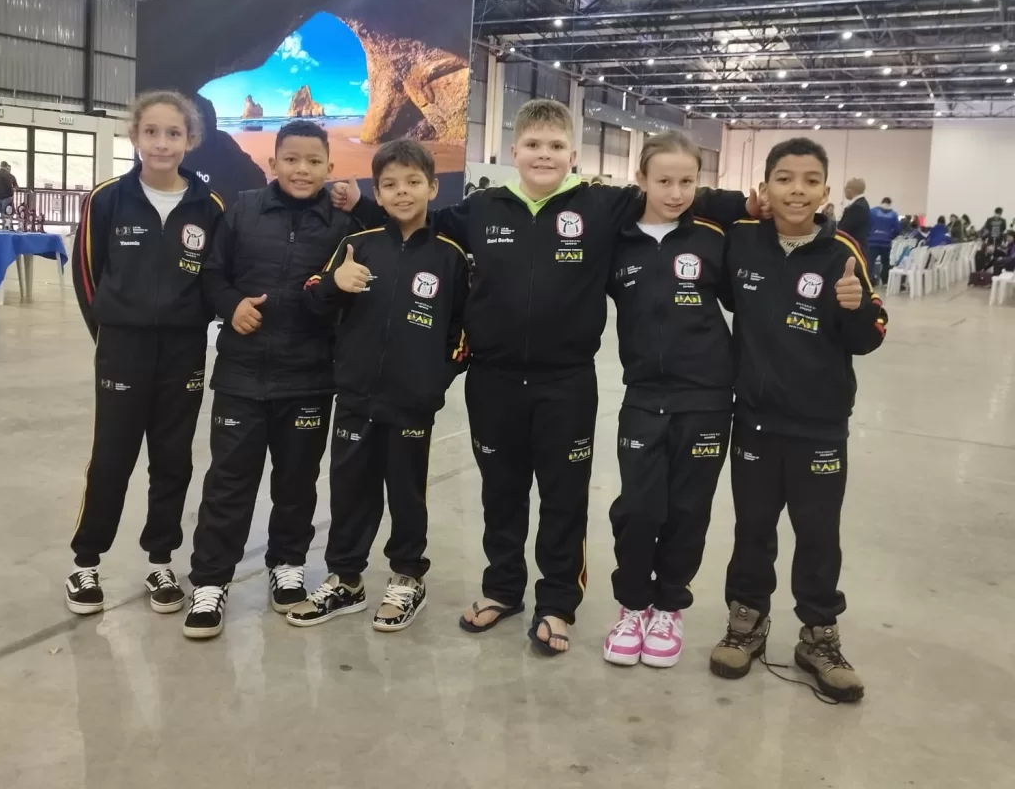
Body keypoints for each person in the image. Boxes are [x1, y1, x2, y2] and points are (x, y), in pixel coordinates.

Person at [334, 99, 754, 656]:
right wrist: (359, 204)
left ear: (572, 154)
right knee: (500, 495)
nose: (544, 155)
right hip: (494, 381)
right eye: (533, 145)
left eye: (556, 146)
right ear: (514, 151)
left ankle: (557, 603)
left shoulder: (603, 205)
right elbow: (413, 218)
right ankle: (502, 589)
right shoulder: (480, 210)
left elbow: (672, 187)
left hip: (567, 383)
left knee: (563, 499)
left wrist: (750, 204)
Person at [709, 138, 887, 704]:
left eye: (810, 180)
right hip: (754, 421)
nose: (797, 191)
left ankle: (819, 637)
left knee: (818, 534)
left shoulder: (842, 252)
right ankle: (746, 621)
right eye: (784, 179)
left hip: (820, 425)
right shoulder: (742, 239)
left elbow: (869, 338)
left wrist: (856, 308)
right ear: (765, 187)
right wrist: (740, 205)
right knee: (752, 529)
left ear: (826, 191)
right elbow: (696, 212)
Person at [182, 119, 360, 640]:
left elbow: (347, 296)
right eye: (291, 160)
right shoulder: (242, 211)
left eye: (313, 162)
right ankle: (210, 582)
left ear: (329, 167)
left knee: (297, 482)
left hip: (309, 379)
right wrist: (232, 305)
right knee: (228, 483)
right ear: (273, 162)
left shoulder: (342, 225)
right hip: (241, 376)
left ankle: (288, 564)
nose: (302, 170)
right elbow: (212, 274)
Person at [285, 140, 469, 633]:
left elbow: (463, 332)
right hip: (355, 396)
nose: (402, 192)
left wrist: (433, 380)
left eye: (413, 182)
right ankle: (345, 580)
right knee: (349, 491)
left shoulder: (450, 256)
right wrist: (334, 283)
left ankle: (408, 577)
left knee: (406, 493)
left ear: (433, 187)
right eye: (390, 185)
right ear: (378, 193)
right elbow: (313, 298)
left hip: (412, 403)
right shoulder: (358, 244)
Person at [66, 91, 224, 616]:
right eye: (151, 132)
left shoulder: (209, 206)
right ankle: (86, 563)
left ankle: (161, 559)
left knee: (173, 459)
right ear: (134, 136)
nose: (161, 143)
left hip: (184, 351)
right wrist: (110, 332)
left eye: (173, 133)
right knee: (112, 457)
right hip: (123, 348)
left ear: (191, 140)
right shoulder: (107, 199)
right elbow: (87, 274)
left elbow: (216, 277)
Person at [601, 132, 733, 669]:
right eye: (664, 181)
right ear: (641, 180)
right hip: (643, 395)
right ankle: (633, 605)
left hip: (707, 398)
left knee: (687, 509)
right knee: (638, 507)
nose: (676, 193)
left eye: (687, 181)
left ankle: (669, 606)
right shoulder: (617, 241)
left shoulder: (714, 237)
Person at [868, 197, 902, 287]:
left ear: (881, 202)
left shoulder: (872, 211)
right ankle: (885, 281)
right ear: (890, 203)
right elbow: (897, 229)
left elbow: (867, 224)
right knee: (885, 263)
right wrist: (891, 236)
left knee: (870, 262)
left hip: (872, 241)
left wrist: (869, 234)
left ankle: (869, 280)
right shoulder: (894, 215)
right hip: (886, 243)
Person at [838, 178, 870, 256]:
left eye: (845, 188)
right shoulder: (862, 204)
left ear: (851, 190)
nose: (844, 191)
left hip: (854, 249)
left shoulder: (857, 207)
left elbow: (844, 229)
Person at [0, 160, 18, 225]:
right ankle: (5, 226)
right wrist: (11, 193)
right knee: (4, 212)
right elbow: (8, 186)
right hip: (6, 196)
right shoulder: (7, 175)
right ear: (6, 167)